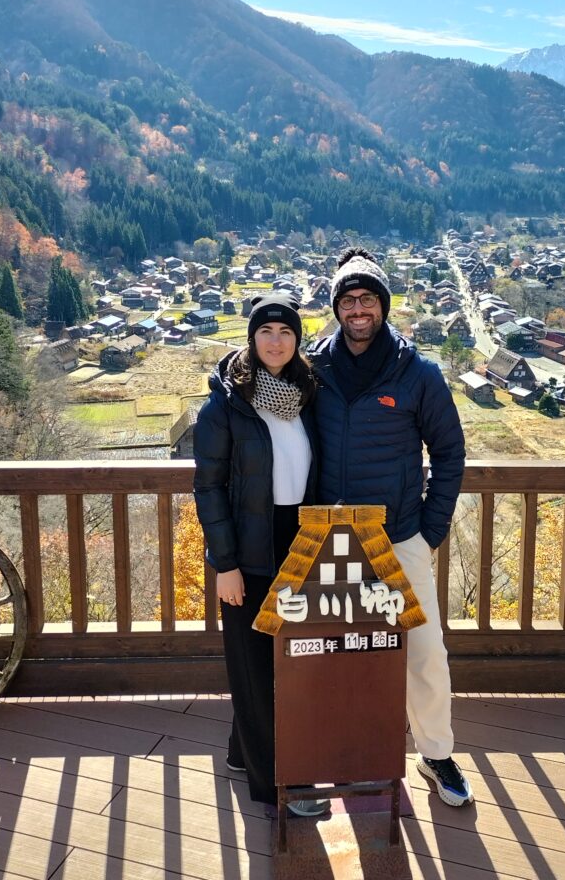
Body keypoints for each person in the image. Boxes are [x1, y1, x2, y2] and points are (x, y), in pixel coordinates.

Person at [308, 248, 474, 807]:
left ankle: (436, 753)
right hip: (330, 534)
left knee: (424, 651)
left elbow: (449, 452)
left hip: (399, 534)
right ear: (336, 307)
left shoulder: (417, 372)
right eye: (348, 299)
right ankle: (343, 749)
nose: (358, 309)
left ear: (383, 305)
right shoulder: (316, 368)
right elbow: (261, 394)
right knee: (334, 651)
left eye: (368, 299)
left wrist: (430, 528)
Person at [193, 293, 329, 817]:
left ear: (297, 341)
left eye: (286, 332)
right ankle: (279, 785)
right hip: (248, 547)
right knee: (254, 664)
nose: (276, 340)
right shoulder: (227, 403)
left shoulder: (307, 394)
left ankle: (239, 751)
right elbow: (207, 487)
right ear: (252, 339)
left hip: (298, 534)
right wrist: (224, 564)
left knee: (284, 657)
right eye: (266, 331)